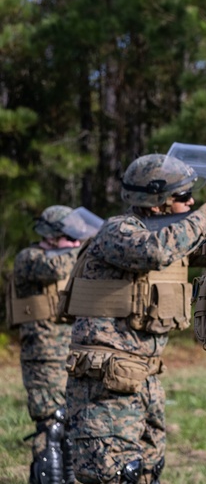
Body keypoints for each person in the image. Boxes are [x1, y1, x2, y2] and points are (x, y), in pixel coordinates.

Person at [62, 154, 206, 484]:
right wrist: (203, 218)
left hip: (144, 377)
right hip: (106, 380)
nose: (192, 202)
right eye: (183, 197)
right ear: (157, 203)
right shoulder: (118, 231)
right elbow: (154, 251)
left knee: (146, 472)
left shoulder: (171, 236)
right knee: (113, 474)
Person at [8, 205, 83, 484]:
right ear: (51, 237)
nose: (76, 243)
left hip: (73, 353)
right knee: (52, 424)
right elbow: (59, 265)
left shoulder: (69, 255)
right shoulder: (31, 258)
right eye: (71, 237)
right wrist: (96, 243)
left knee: (74, 425)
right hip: (43, 356)